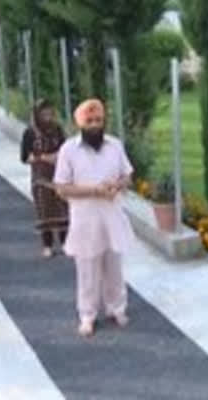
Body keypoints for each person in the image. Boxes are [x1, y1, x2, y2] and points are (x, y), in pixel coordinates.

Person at [53, 99, 137, 338]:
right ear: (80, 123)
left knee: (115, 267)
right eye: (89, 121)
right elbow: (61, 187)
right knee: (87, 270)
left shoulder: (115, 145)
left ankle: (116, 308)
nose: (94, 126)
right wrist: (94, 191)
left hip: (112, 218)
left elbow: (128, 176)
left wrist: (117, 184)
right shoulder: (69, 149)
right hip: (85, 220)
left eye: (98, 121)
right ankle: (87, 315)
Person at [21, 99, 69, 259]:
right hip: (40, 177)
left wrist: (57, 156)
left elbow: (66, 149)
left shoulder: (57, 130)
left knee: (63, 209)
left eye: (50, 114)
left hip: (59, 175)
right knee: (44, 211)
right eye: (44, 114)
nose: (47, 117)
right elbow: (24, 157)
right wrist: (41, 158)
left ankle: (64, 243)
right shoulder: (30, 133)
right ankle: (47, 245)